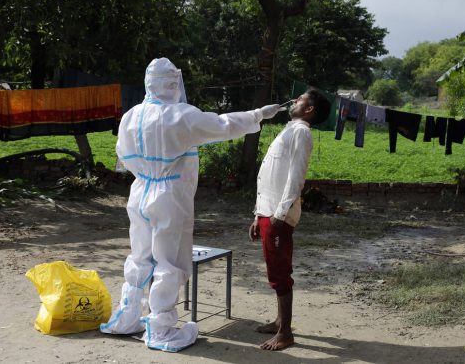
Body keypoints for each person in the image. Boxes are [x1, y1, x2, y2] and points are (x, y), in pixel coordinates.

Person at [101, 57, 282, 352]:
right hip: (169, 194)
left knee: (140, 254)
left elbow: (122, 154)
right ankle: (159, 328)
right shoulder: (180, 115)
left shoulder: (131, 116)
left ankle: (127, 316)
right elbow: (222, 125)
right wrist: (257, 115)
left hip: (140, 191)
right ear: (172, 83)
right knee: (168, 260)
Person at [248, 88, 331, 351]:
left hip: (278, 215)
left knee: (279, 272)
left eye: (301, 99)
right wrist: (258, 213)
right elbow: (271, 176)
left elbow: (296, 178)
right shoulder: (291, 128)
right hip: (268, 210)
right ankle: (279, 321)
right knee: (275, 267)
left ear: (309, 110)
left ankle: (285, 333)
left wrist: (279, 215)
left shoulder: (301, 132)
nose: (294, 100)